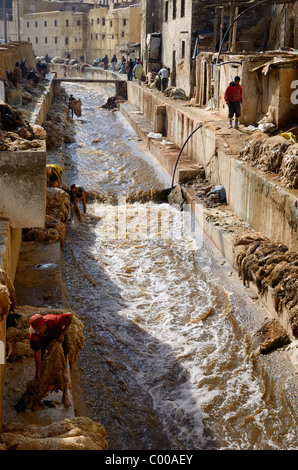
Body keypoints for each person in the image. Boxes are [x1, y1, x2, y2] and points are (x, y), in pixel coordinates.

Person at [29, 312, 73, 408]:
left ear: (44, 324)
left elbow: (70, 316)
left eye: (39, 329)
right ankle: (37, 397)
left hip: (59, 338)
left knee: (63, 367)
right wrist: (38, 370)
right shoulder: (35, 335)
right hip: (45, 341)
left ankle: (65, 394)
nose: (37, 333)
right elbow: (37, 352)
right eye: (35, 330)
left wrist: (63, 333)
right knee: (41, 372)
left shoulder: (55, 321)